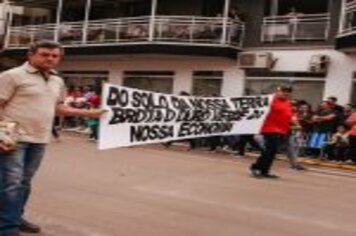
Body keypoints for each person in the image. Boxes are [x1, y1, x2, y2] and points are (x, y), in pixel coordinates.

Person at [0, 40, 105, 236]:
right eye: (45, 54)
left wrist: (90, 114)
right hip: (13, 138)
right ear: (30, 55)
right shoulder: (11, 76)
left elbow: (59, 108)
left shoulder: (57, 80)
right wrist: (5, 135)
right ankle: (7, 227)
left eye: (54, 55)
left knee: (24, 182)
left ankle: (14, 217)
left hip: (40, 138)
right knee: (11, 183)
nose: (50, 58)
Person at [249, 86, 294, 179]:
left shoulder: (287, 103)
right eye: (283, 91)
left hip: (281, 130)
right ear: (277, 92)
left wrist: (295, 123)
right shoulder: (270, 100)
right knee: (269, 150)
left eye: (288, 92)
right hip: (269, 129)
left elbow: (289, 115)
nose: (285, 93)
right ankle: (256, 168)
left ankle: (264, 170)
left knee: (272, 151)